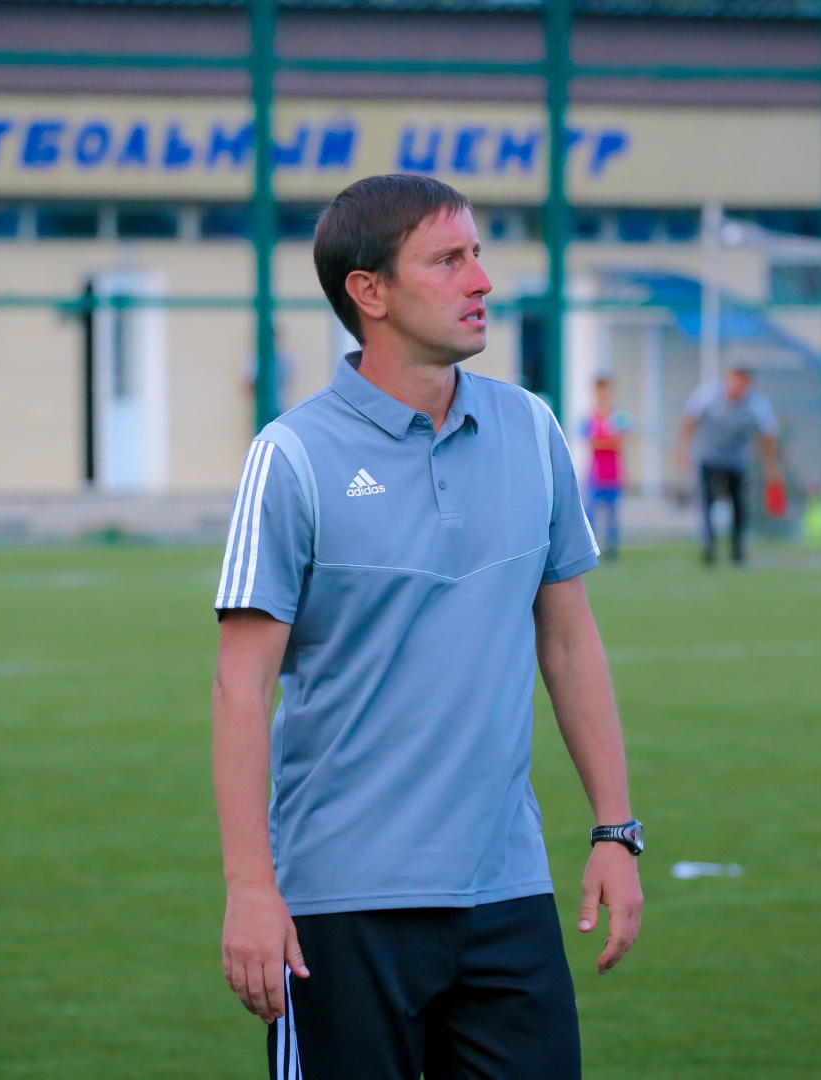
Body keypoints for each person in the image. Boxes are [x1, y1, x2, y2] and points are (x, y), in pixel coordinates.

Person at [212, 174, 642, 1080]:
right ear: (369, 292)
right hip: (341, 903)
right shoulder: (290, 457)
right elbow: (239, 687)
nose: (481, 280)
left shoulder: (532, 430)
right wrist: (251, 887)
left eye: (477, 254)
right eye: (448, 260)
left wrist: (615, 830)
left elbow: (569, 642)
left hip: (507, 889)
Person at [677, 366, 781, 565]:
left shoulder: (757, 404)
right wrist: (682, 452)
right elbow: (689, 421)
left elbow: (767, 436)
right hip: (708, 456)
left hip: (737, 460)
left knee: (739, 504)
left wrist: (771, 467)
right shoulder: (707, 395)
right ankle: (709, 546)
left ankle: (737, 549)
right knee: (707, 502)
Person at [580, 376, 631, 559]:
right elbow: (591, 443)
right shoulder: (589, 416)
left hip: (614, 472)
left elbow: (620, 442)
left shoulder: (619, 416)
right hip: (596, 473)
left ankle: (612, 550)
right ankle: (590, 549)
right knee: (590, 513)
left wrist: (602, 442)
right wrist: (608, 441)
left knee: (613, 514)